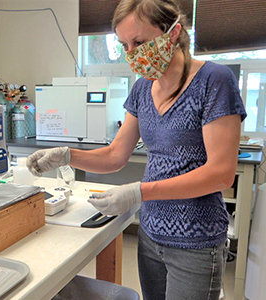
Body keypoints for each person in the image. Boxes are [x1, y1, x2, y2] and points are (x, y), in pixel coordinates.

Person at [26, 0, 246, 299]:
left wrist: (139, 191)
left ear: (173, 32)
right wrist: (67, 156)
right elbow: (116, 154)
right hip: (151, 233)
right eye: (124, 45)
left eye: (139, 42)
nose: (132, 53)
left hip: (196, 240)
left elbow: (221, 175)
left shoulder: (214, 81)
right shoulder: (143, 88)